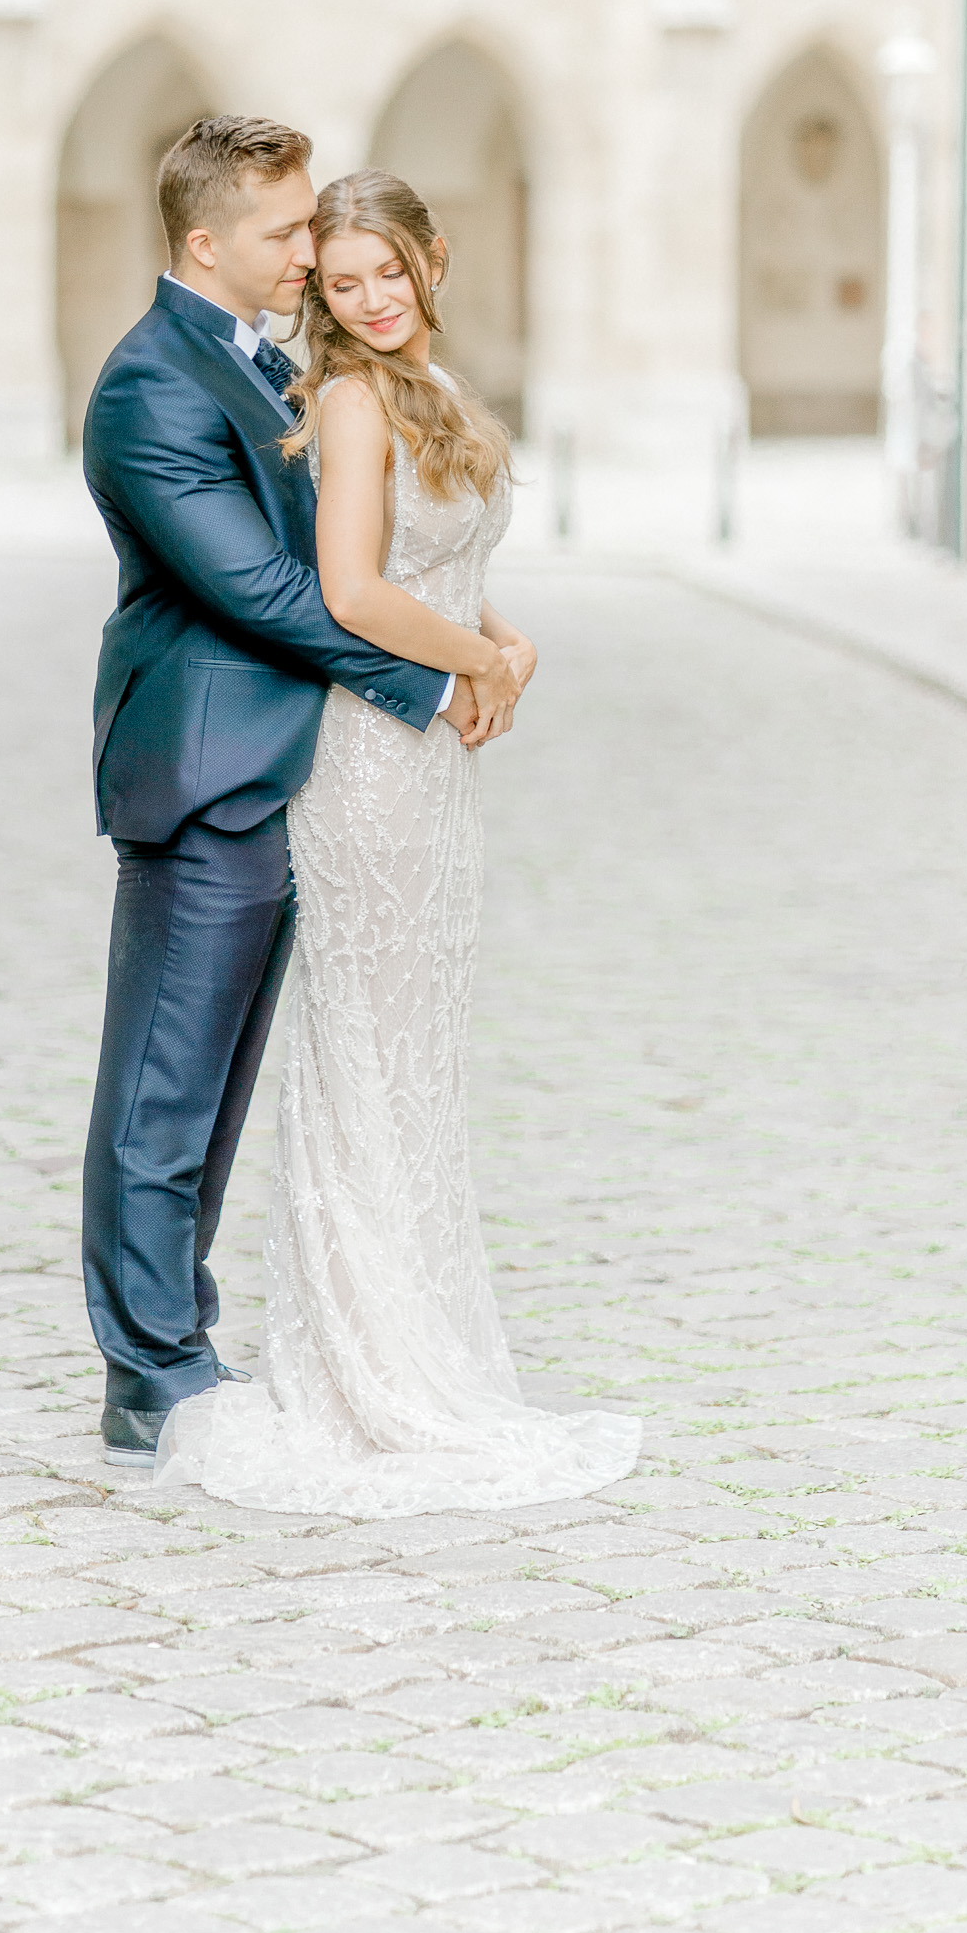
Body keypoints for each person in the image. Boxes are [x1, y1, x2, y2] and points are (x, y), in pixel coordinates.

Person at [155, 168, 639, 1514]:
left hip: (437, 772)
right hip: (370, 765)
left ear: (433, 263)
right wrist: (479, 655)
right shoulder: (354, 403)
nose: (369, 301)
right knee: (364, 1053)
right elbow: (356, 591)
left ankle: (422, 1339)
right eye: (346, 280)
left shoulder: (438, 395)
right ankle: (365, 1369)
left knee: (417, 1056)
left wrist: (508, 639)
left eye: (390, 274)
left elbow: (457, 572)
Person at [79, 118, 521, 1466]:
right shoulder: (149, 385)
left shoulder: (263, 364)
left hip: (301, 779)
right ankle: (150, 1368)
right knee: (165, 1089)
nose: (306, 254)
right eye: (285, 234)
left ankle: (190, 1333)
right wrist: (438, 681)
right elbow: (271, 591)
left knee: (223, 1092)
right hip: (210, 770)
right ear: (206, 241)